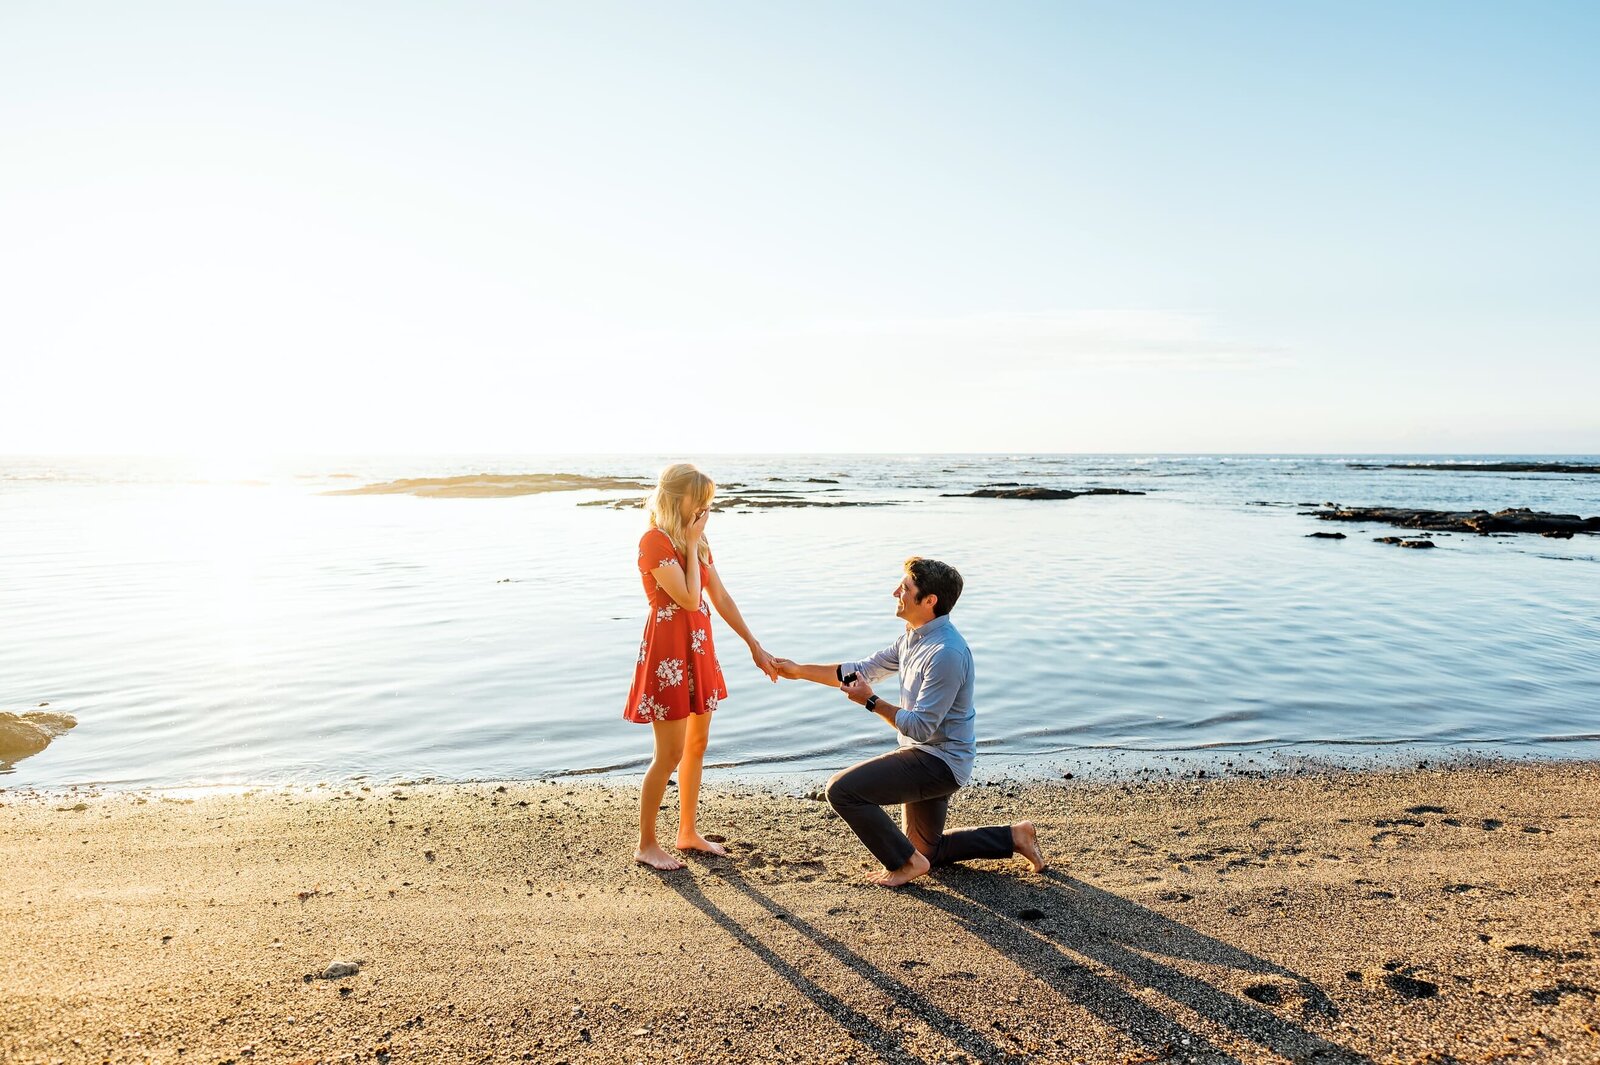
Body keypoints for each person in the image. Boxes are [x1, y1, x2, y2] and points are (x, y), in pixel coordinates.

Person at [774, 557, 1045, 887]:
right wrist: (799, 671)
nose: (895, 593)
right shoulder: (912, 639)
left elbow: (919, 728)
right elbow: (859, 669)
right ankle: (1014, 836)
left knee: (842, 790)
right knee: (926, 852)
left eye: (905, 588)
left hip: (939, 761)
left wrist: (871, 701)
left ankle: (905, 865)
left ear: (929, 601)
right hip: (925, 755)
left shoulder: (946, 653)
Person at [625, 463, 778, 871]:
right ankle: (646, 843)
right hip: (668, 657)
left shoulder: (700, 540)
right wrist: (691, 544)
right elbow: (690, 599)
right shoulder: (654, 541)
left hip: (698, 650)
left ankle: (687, 832)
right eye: (701, 499)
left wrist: (754, 645)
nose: (707, 507)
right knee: (669, 753)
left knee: (696, 746)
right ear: (679, 498)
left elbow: (720, 597)